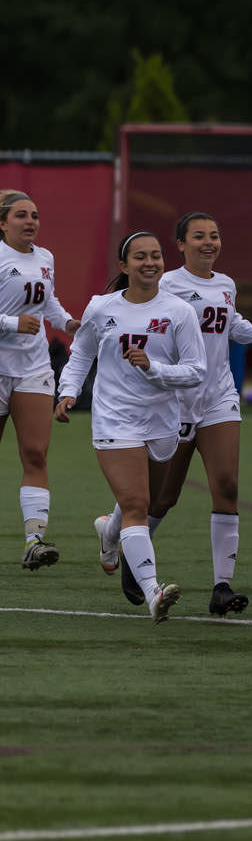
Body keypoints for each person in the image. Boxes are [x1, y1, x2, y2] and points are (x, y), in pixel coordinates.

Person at [56, 233, 204, 622]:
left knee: (148, 502)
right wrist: (68, 391)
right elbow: (81, 353)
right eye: (140, 257)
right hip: (114, 419)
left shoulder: (179, 311)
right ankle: (154, 592)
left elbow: (195, 371)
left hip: (162, 421)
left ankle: (109, 532)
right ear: (124, 266)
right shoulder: (101, 308)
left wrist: (153, 368)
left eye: (156, 256)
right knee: (138, 506)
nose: (150, 262)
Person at [146, 212, 252, 615]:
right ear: (180, 244)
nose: (208, 243)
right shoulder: (167, 285)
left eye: (214, 236)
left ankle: (221, 587)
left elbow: (230, 326)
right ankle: (131, 551)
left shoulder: (226, 284)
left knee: (228, 484)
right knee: (163, 497)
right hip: (176, 399)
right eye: (198, 236)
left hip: (218, 395)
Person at [0, 191, 81, 571]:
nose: (30, 221)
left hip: (33, 368)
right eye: (21, 215)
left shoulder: (45, 257)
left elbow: (48, 302)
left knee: (36, 453)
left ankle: (35, 540)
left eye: (34, 215)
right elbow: (14, 315)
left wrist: (67, 323)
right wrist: (11, 323)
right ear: (3, 223)